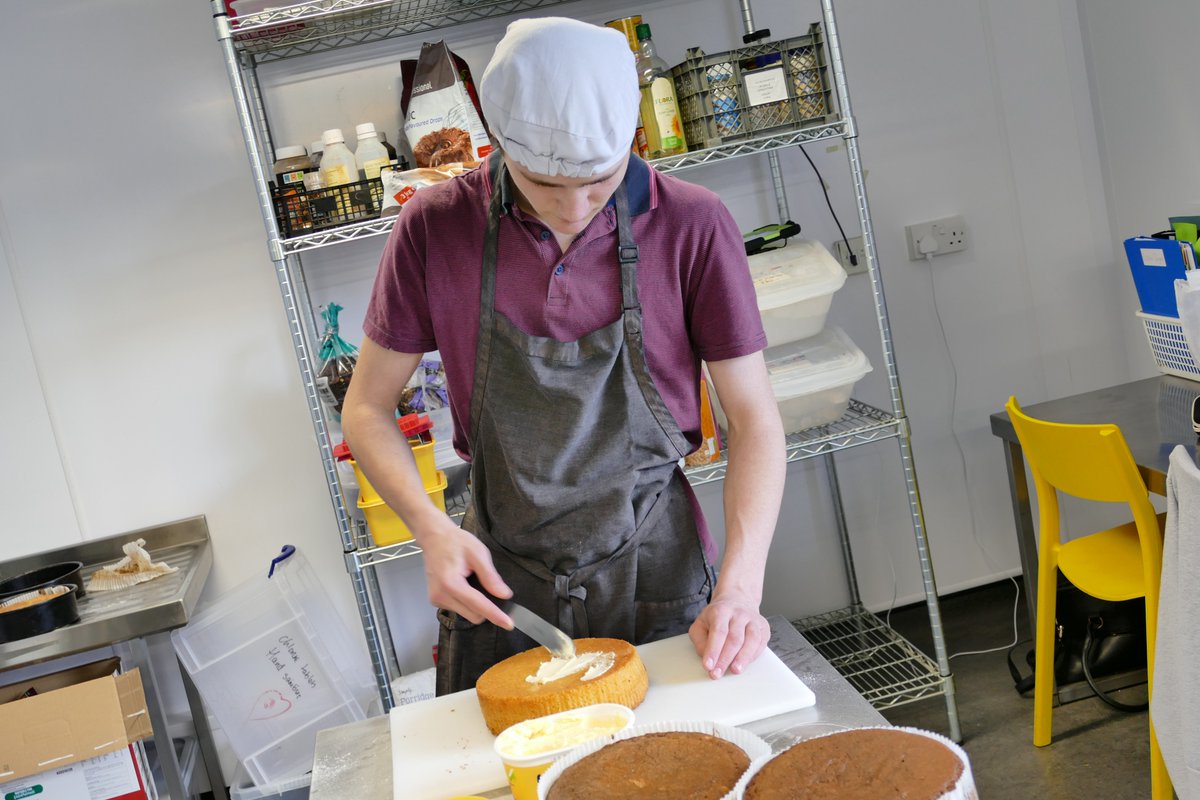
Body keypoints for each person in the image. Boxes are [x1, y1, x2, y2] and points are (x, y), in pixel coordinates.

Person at [342, 16, 786, 695]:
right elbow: (367, 409)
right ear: (502, 147)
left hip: (656, 568)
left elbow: (753, 418)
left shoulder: (693, 223)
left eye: (601, 181)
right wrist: (429, 529)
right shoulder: (433, 228)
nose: (576, 207)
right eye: (546, 185)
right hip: (500, 583)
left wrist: (741, 591)